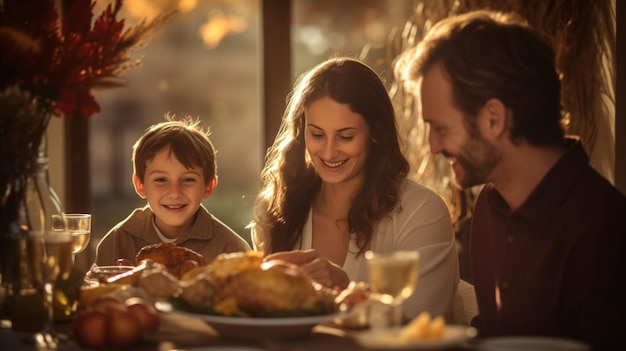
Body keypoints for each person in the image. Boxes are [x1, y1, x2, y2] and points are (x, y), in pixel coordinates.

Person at [395, 10, 626, 349]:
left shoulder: (606, 229)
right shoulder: (490, 207)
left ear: (494, 119)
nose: (432, 146)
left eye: (441, 128)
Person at [248, 57, 460, 320]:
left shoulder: (422, 211)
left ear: (376, 131)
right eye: (317, 134)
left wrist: (346, 288)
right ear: (302, 131)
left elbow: (422, 323)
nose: (328, 151)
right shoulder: (274, 211)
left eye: (346, 136)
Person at [95, 116, 250, 266]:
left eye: (188, 180)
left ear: (208, 186)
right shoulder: (116, 243)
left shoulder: (232, 250)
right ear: (140, 185)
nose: (174, 192)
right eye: (161, 180)